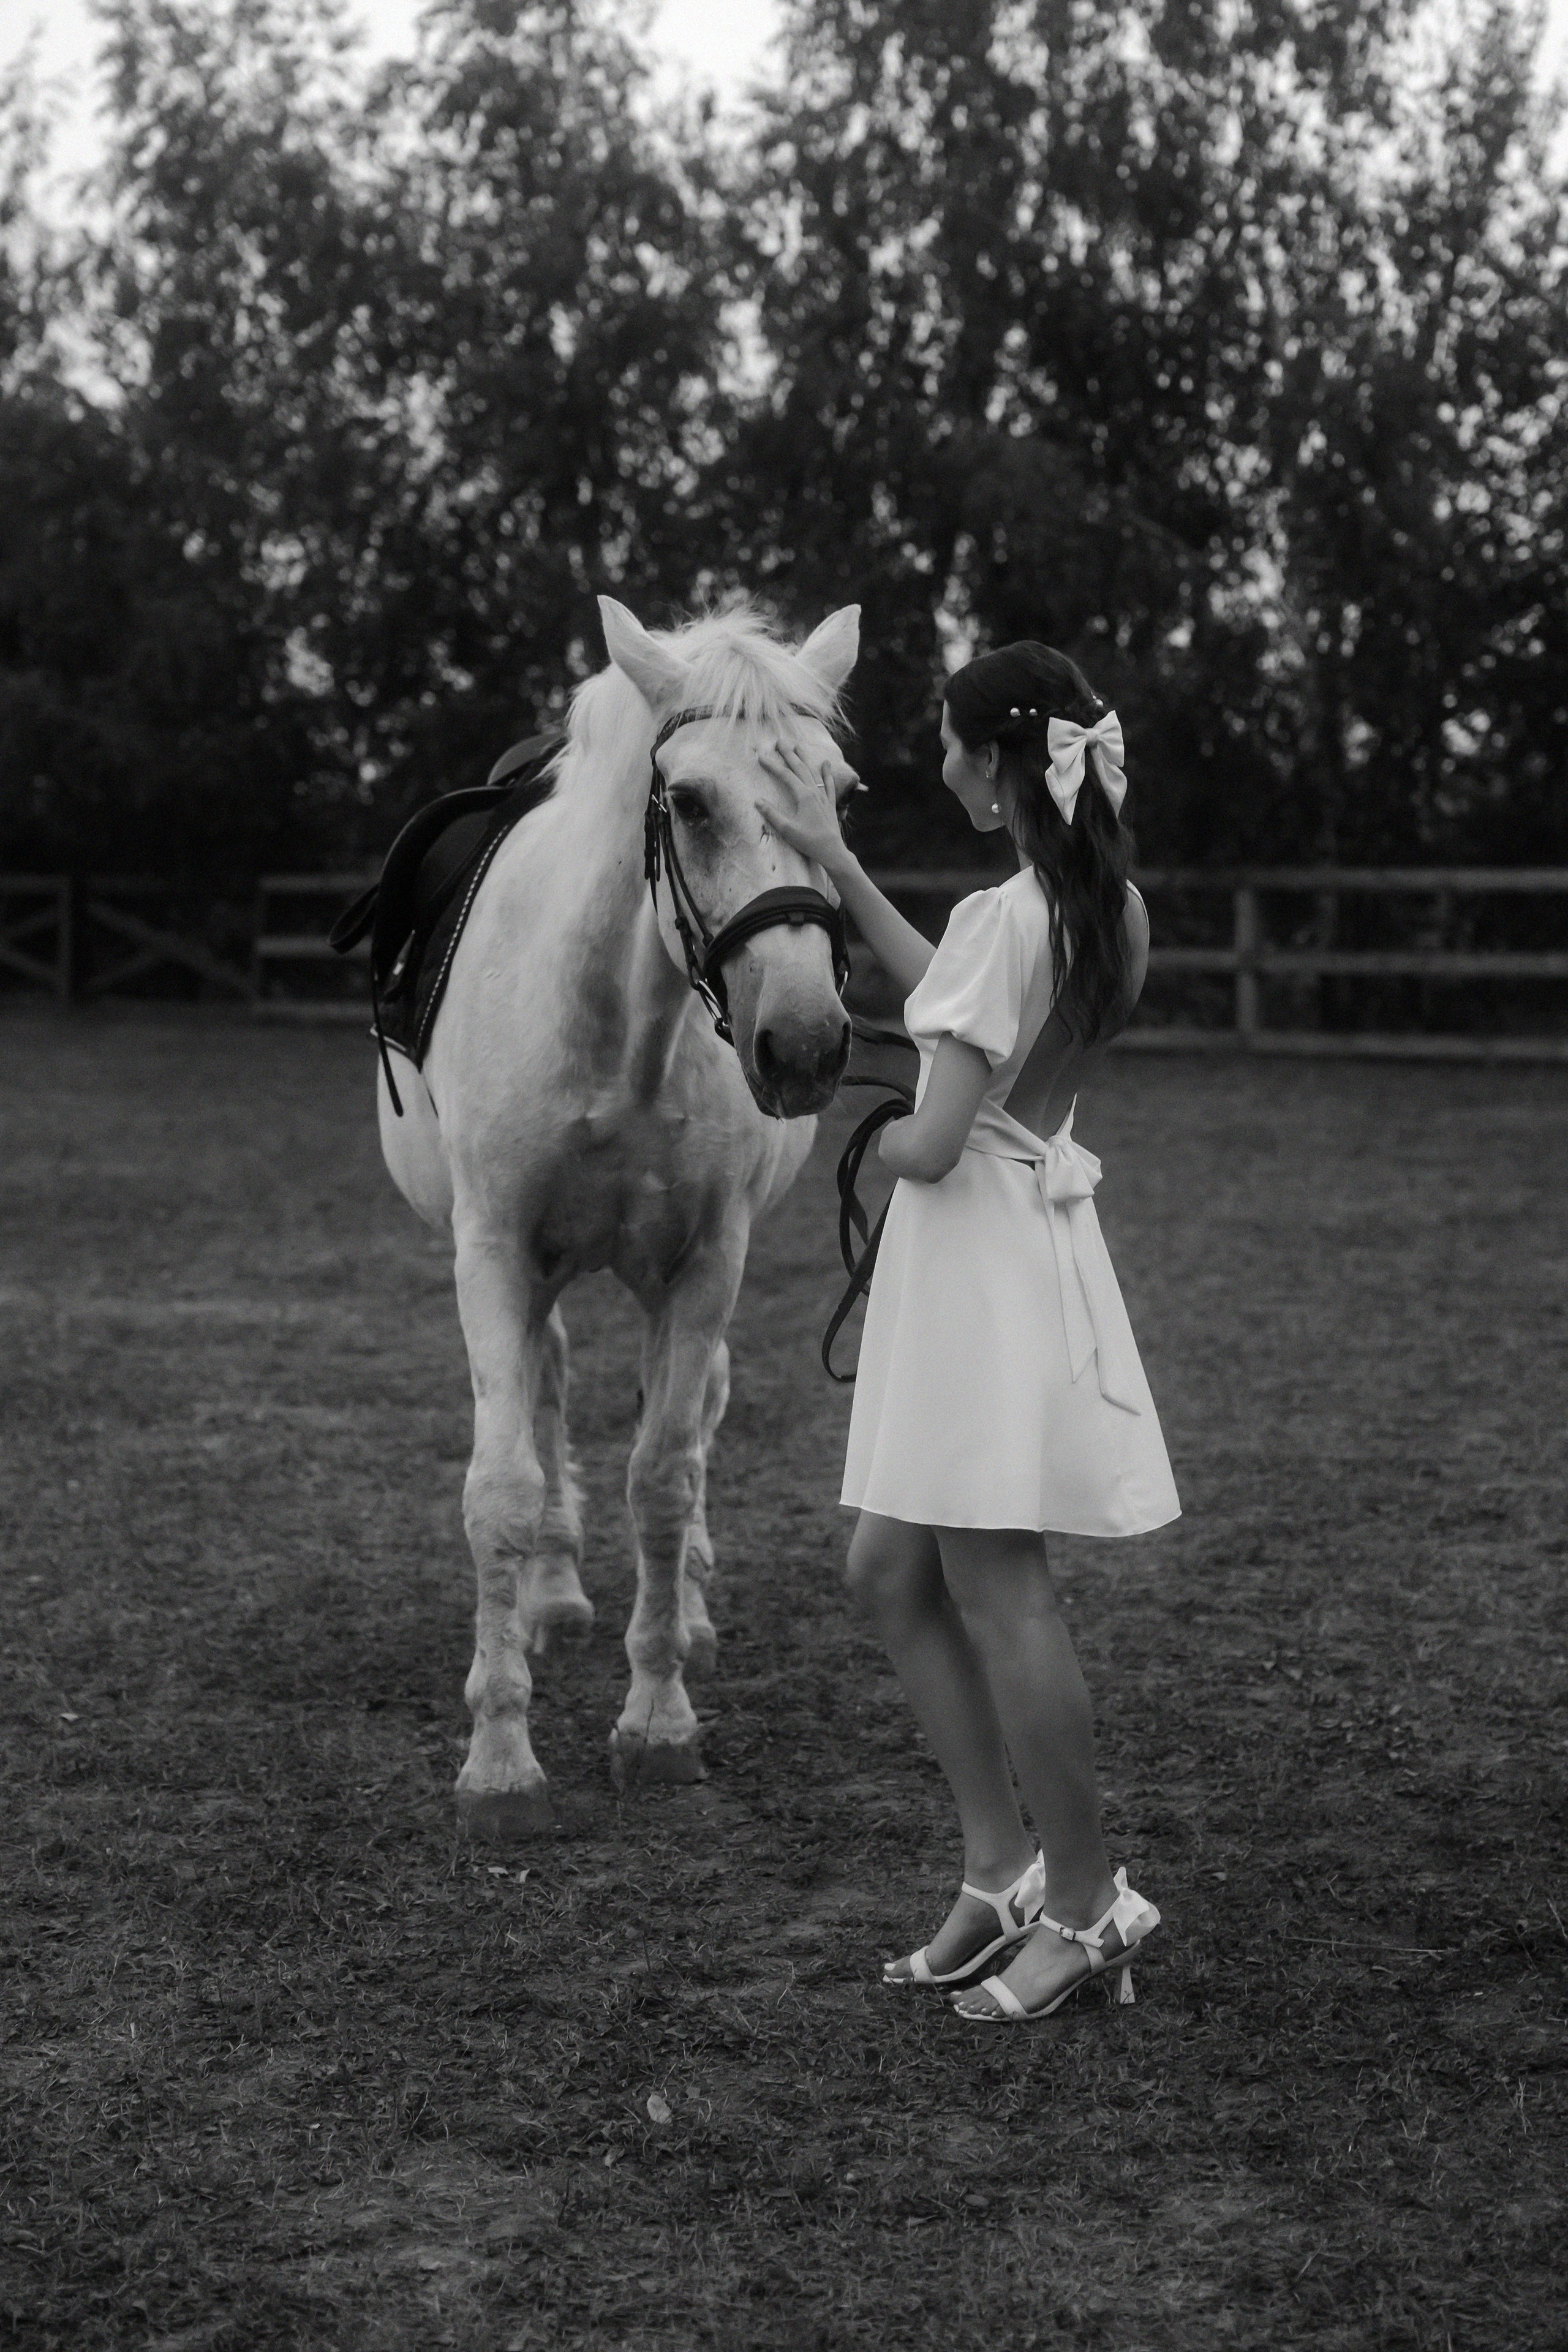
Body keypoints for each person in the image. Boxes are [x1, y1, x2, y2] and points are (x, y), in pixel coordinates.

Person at [758, 643, 1179, 2024]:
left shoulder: (1011, 915)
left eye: (945, 744)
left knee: (997, 1586)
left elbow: (937, 1134)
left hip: (974, 1240)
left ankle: (1082, 1901)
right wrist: (837, 864)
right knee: (887, 1567)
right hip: (1018, 1235)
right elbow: (967, 996)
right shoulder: (1105, 908)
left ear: (995, 765)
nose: (931, 765)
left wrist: (872, 1145)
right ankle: (999, 1869)